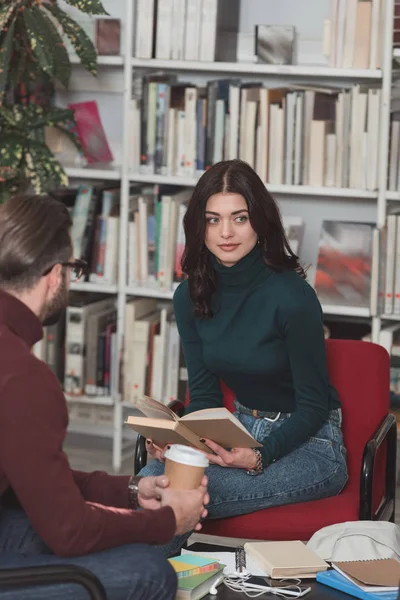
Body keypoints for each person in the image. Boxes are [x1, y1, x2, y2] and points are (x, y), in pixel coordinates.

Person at [0, 194, 209, 600]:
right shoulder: (23, 378)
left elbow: (32, 477)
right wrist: (169, 522)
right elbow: (69, 532)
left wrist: (132, 492)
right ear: (55, 275)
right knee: (148, 571)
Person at [140, 159, 348, 554]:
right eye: (213, 220)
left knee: (170, 496)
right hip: (239, 432)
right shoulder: (190, 296)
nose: (226, 232)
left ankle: (143, 586)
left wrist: (258, 456)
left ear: (260, 221)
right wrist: (180, 440)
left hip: (312, 445)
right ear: (199, 227)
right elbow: (204, 397)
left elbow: (314, 406)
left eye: (239, 218)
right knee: (150, 477)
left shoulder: (292, 296)